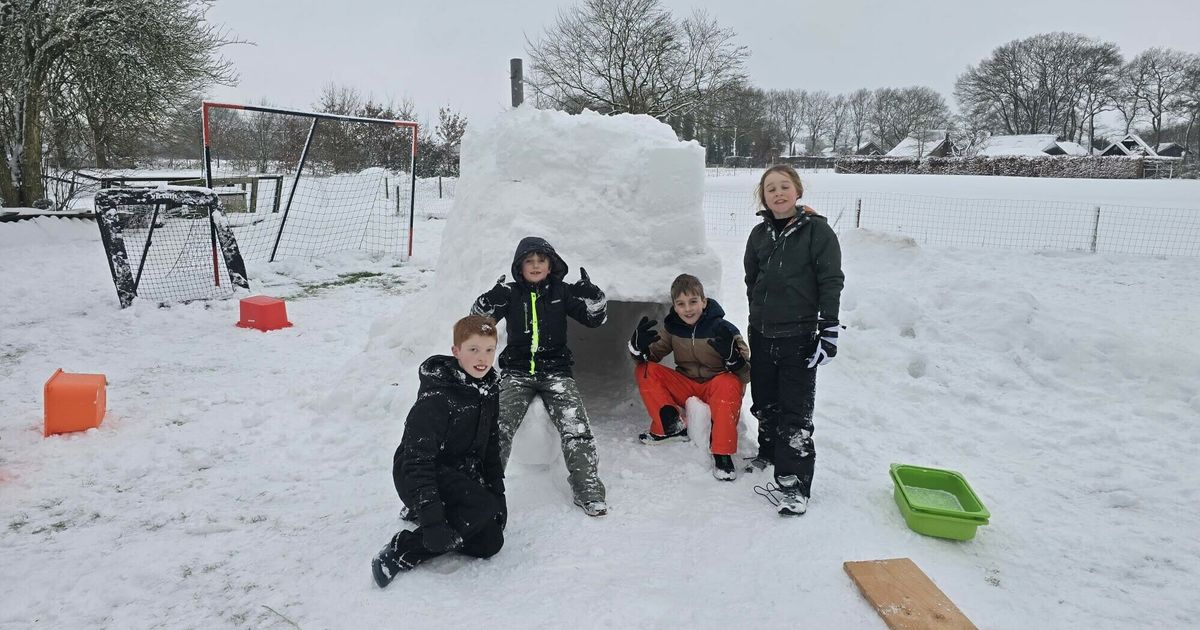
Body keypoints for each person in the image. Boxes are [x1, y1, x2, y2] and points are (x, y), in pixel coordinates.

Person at [471, 236, 610, 516]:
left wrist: (594, 297)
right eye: (529, 261)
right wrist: (488, 301)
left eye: (541, 260)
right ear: (519, 266)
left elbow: (594, 320)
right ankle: (483, 488)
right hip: (517, 373)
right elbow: (476, 324)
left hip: (556, 372)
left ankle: (588, 488)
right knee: (499, 426)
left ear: (551, 264)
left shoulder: (563, 292)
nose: (535, 266)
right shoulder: (510, 294)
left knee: (576, 428)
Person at [371, 315, 506, 588]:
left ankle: (429, 514)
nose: (482, 358)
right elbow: (417, 461)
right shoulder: (437, 398)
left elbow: (491, 446)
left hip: (456, 473)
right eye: (473, 350)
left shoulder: (488, 389)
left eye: (489, 350)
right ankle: (404, 548)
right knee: (480, 507)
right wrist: (432, 525)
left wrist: (498, 493)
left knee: (490, 542)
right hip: (418, 474)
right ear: (456, 352)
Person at [743, 164, 845, 516]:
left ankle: (795, 483)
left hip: (798, 336)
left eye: (784, 186)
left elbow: (831, 280)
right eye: (770, 188)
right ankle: (768, 452)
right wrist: (757, 313)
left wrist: (828, 329)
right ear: (764, 197)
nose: (778, 193)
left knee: (795, 413)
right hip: (761, 333)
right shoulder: (758, 235)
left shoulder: (817, 232)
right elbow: (751, 279)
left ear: (797, 191)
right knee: (764, 402)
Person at [628, 273, 750, 481]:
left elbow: (746, 375)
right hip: (686, 385)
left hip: (716, 387)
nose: (688, 309)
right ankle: (670, 427)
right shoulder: (672, 329)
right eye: (681, 304)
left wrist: (733, 359)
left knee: (729, 381)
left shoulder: (724, 329)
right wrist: (637, 348)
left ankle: (722, 452)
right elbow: (652, 357)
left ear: (704, 301)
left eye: (693, 301)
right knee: (645, 370)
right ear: (674, 307)